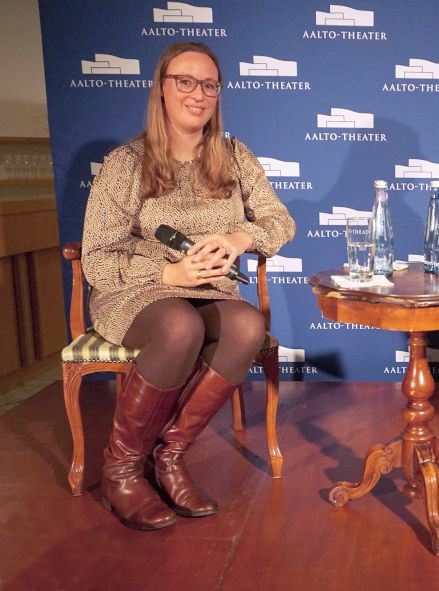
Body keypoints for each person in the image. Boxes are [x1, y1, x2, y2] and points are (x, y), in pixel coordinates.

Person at [81, 41, 295, 531]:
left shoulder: (234, 157)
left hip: (212, 291)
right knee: (179, 327)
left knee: (244, 326)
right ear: (161, 88)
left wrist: (240, 236)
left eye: (209, 85)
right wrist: (167, 274)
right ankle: (121, 471)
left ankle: (170, 457)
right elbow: (97, 257)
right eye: (185, 81)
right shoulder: (125, 164)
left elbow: (280, 221)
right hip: (137, 292)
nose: (198, 94)